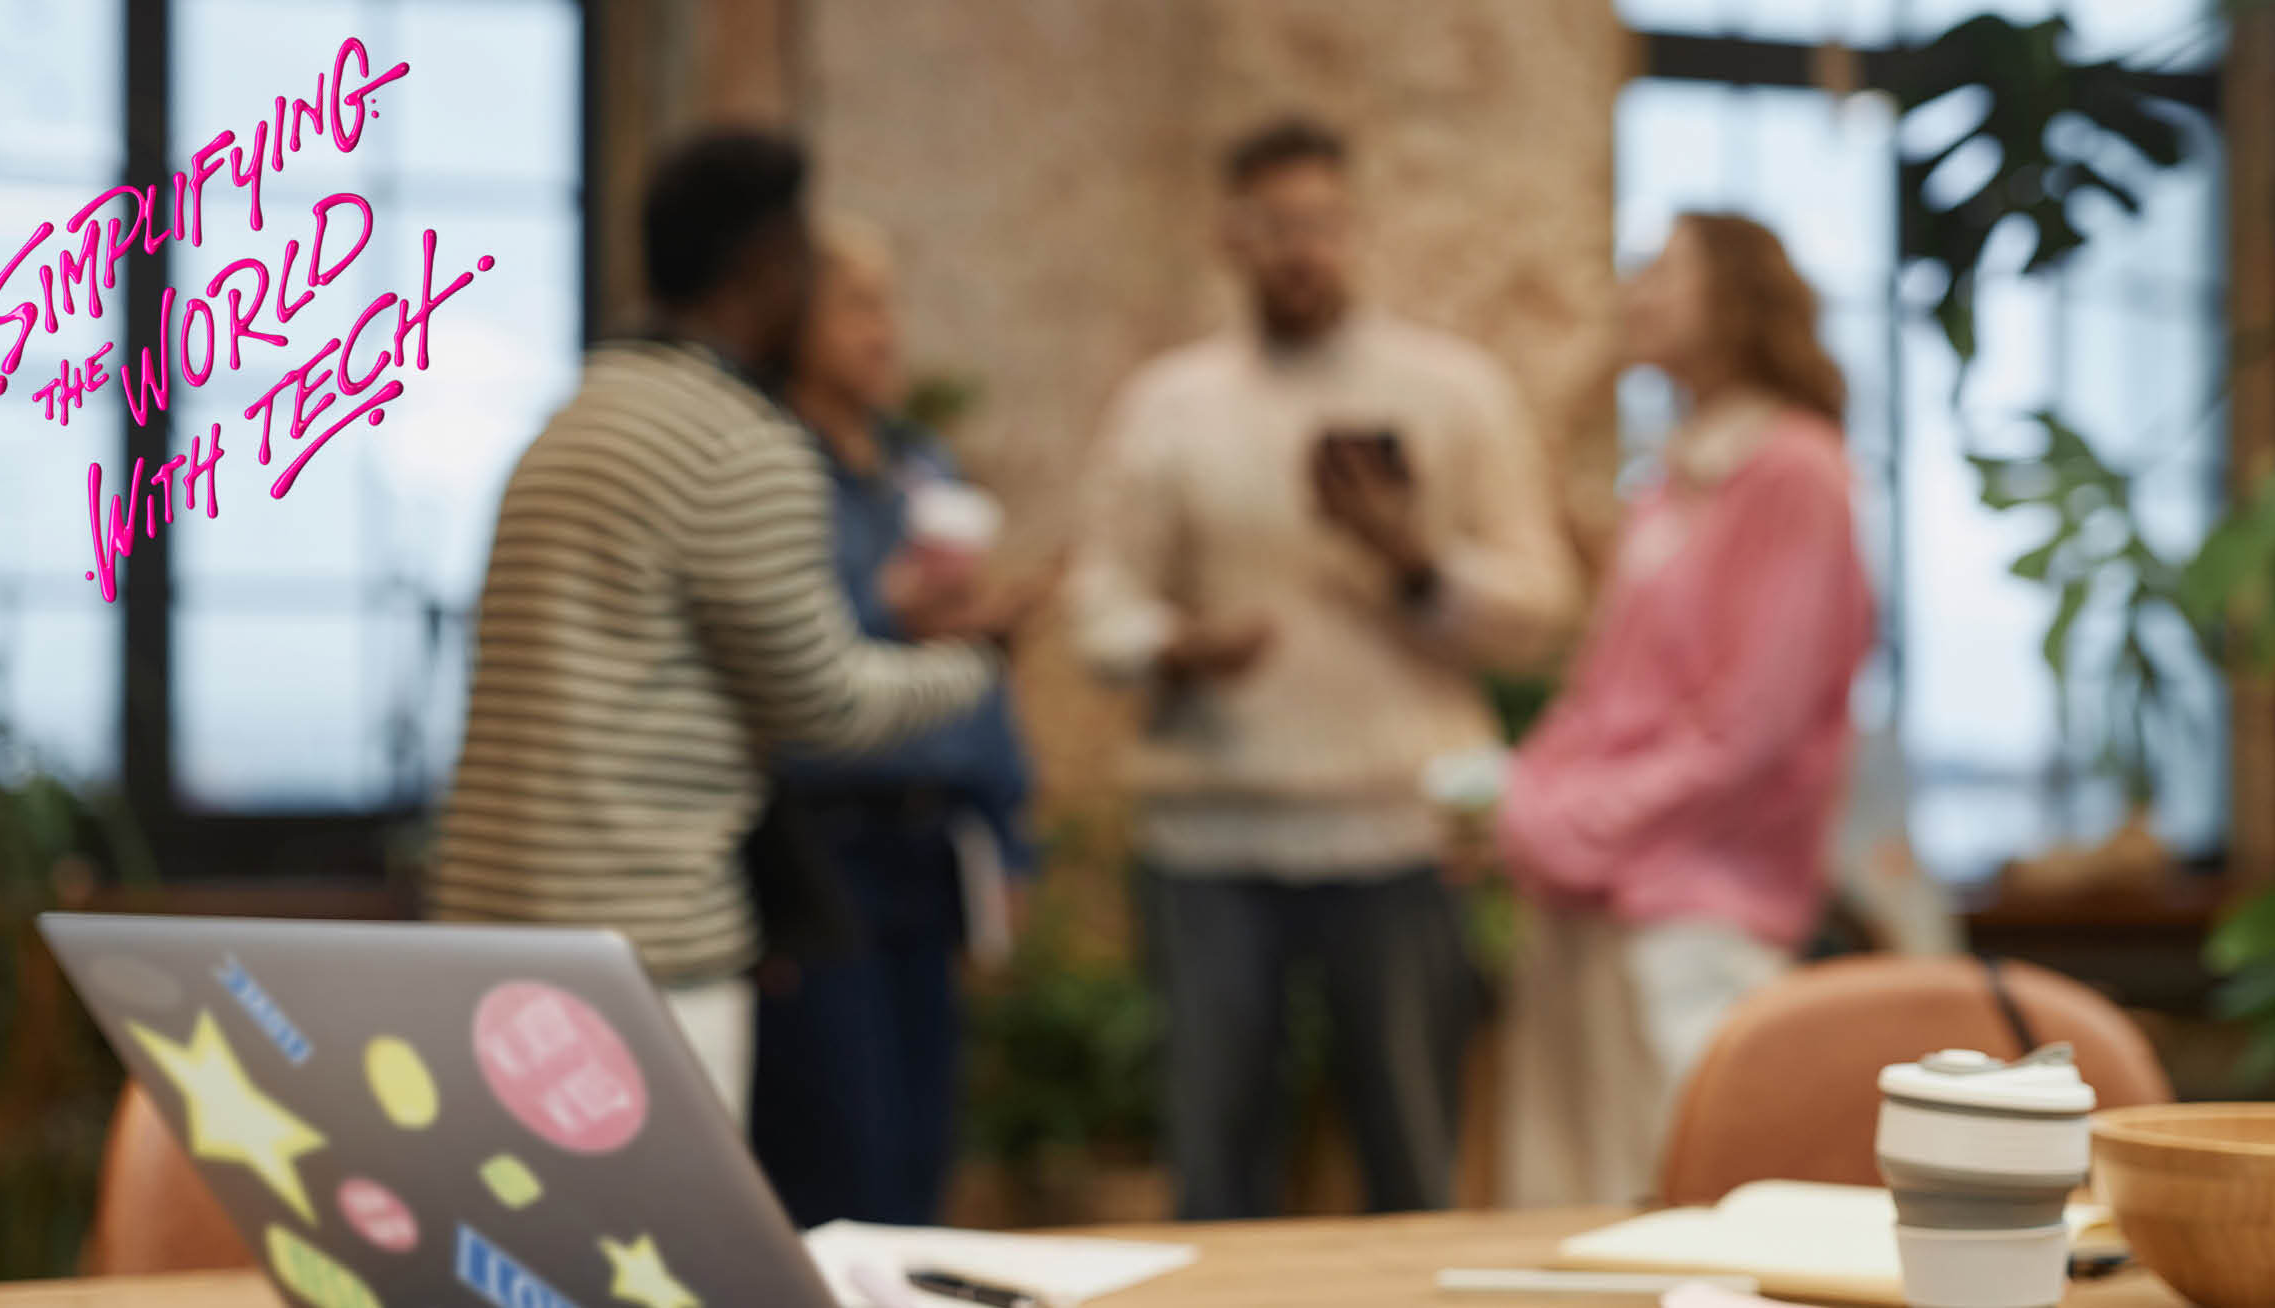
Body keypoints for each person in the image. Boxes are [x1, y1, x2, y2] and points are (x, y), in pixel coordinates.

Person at [428, 132, 1011, 1122]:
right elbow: (824, 705)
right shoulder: (737, 447)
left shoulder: (567, 425)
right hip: (647, 953)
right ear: (765, 270)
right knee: (668, 1268)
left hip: (499, 934)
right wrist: (977, 663)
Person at [1070, 115, 1575, 1219]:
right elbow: (1095, 610)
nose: (1300, 250)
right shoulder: (1172, 404)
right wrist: (1175, 644)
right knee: (1216, 1163)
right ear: (1229, 238)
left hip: (1396, 829)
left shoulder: (1452, 391)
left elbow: (1541, 606)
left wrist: (1411, 560)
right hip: (1212, 834)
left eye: (1320, 225)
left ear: (1351, 231)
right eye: (1272, 228)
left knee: (1409, 1153)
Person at [1493, 213, 1875, 1208]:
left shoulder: (1795, 471)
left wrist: (1572, 822)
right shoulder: (1672, 483)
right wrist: (1527, 801)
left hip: (1694, 913)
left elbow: (1753, 730)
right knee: (1572, 1217)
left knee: (1688, 1210)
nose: (1635, 297)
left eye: (1662, 273)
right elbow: (1604, 691)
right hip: (1589, 904)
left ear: (1737, 296)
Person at [747, 216, 1038, 1227]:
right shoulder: (764, 467)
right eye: (856, 304)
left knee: (921, 1152)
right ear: (793, 320)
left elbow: (974, 670)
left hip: (929, 842)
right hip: (819, 848)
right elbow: (777, 664)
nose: (882, 331)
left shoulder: (921, 464)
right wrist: (885, 613)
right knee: (838, 1154)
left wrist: (1008, 834)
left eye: (888, 305)